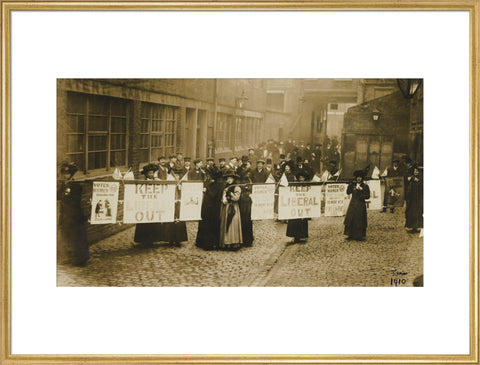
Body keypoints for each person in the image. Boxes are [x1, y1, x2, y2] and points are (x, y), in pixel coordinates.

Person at [57, 162, 90, 266]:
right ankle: (70, 257)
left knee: (77, 237)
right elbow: (57, 196)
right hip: (66, 215)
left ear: (71, 174)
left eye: (67, 174)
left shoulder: (75, 185)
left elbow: (71, 199)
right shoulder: (65, 184)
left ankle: (81, 259)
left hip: (74, 215)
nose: (65, 176)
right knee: (68, 237)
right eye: (64, 174)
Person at [133, 164, 163, 246]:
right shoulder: (143, 182)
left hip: (154, 204)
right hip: (145, 205)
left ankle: (153, 239)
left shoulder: (156, 180)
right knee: (145, 223)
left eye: (152, 173)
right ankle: (143, 239)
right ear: (146, 174)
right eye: (150, 173)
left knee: (153, 222)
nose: (151, 175)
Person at [196, 169, 224, 250]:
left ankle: (208, 243)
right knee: (210, 225)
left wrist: (207, 188)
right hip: (210, 209)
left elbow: (213, 195)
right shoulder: (217, 184)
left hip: (211, 209)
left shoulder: (213, 185)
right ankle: (207, 242)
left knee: (209, 226)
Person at [219, 171, 243, 250]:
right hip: (226, 207)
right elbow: (222, 198)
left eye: (230, 178)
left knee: (233, 224)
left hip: (233, 207)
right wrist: (224, 199)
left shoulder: (236, 187)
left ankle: (233, 242)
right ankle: (226, 243)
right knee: (226, 223)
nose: (229, 180)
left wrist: (231, 194)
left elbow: (236, 198)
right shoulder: (225, 187)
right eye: (227, 178)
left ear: (233, 179)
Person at [344, 170, 371, 241]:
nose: (359, 179)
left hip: (360, 205)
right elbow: (348, 192)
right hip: (353, 204)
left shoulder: (365, 186)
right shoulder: (353, 185)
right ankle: (350, 234)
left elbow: (367, 196)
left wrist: (360, 193)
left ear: (362, 178)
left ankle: (359, 235)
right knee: (351, 219)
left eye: (360, 177)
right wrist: (349, 185)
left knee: (359, 220)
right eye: (357, 177)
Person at [286, 171, 310, 243]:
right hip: (296, 205)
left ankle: (303, 235)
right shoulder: (295, 185)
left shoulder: (306, 185)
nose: (301, 179)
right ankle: (295, 236)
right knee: (295, 221)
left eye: (303, 178)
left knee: (303, 221)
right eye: (300, 178)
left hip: (303, 205)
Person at [405, 166, 423, 233]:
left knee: (417, 213)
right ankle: (411, 226)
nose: (415, 172)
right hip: (411, 198)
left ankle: (416, 226)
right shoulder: (412, 178)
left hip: (418, 199)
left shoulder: (421, 178)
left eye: (417, 171)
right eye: (415, 171)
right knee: (410, 212)